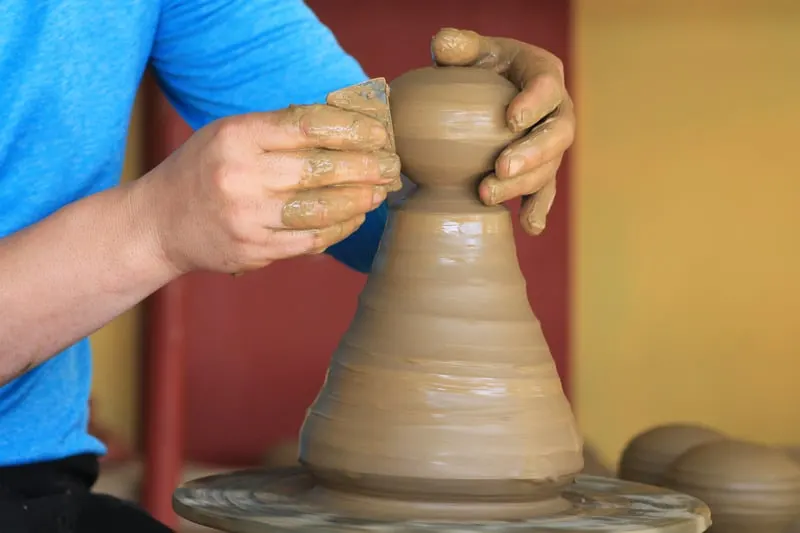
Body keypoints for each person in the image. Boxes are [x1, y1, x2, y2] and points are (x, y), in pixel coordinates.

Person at [0, 1, 575, 531]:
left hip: (38, 481)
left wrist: (491, 140)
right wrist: (153, 228)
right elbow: (165, 222)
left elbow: (382, 188)